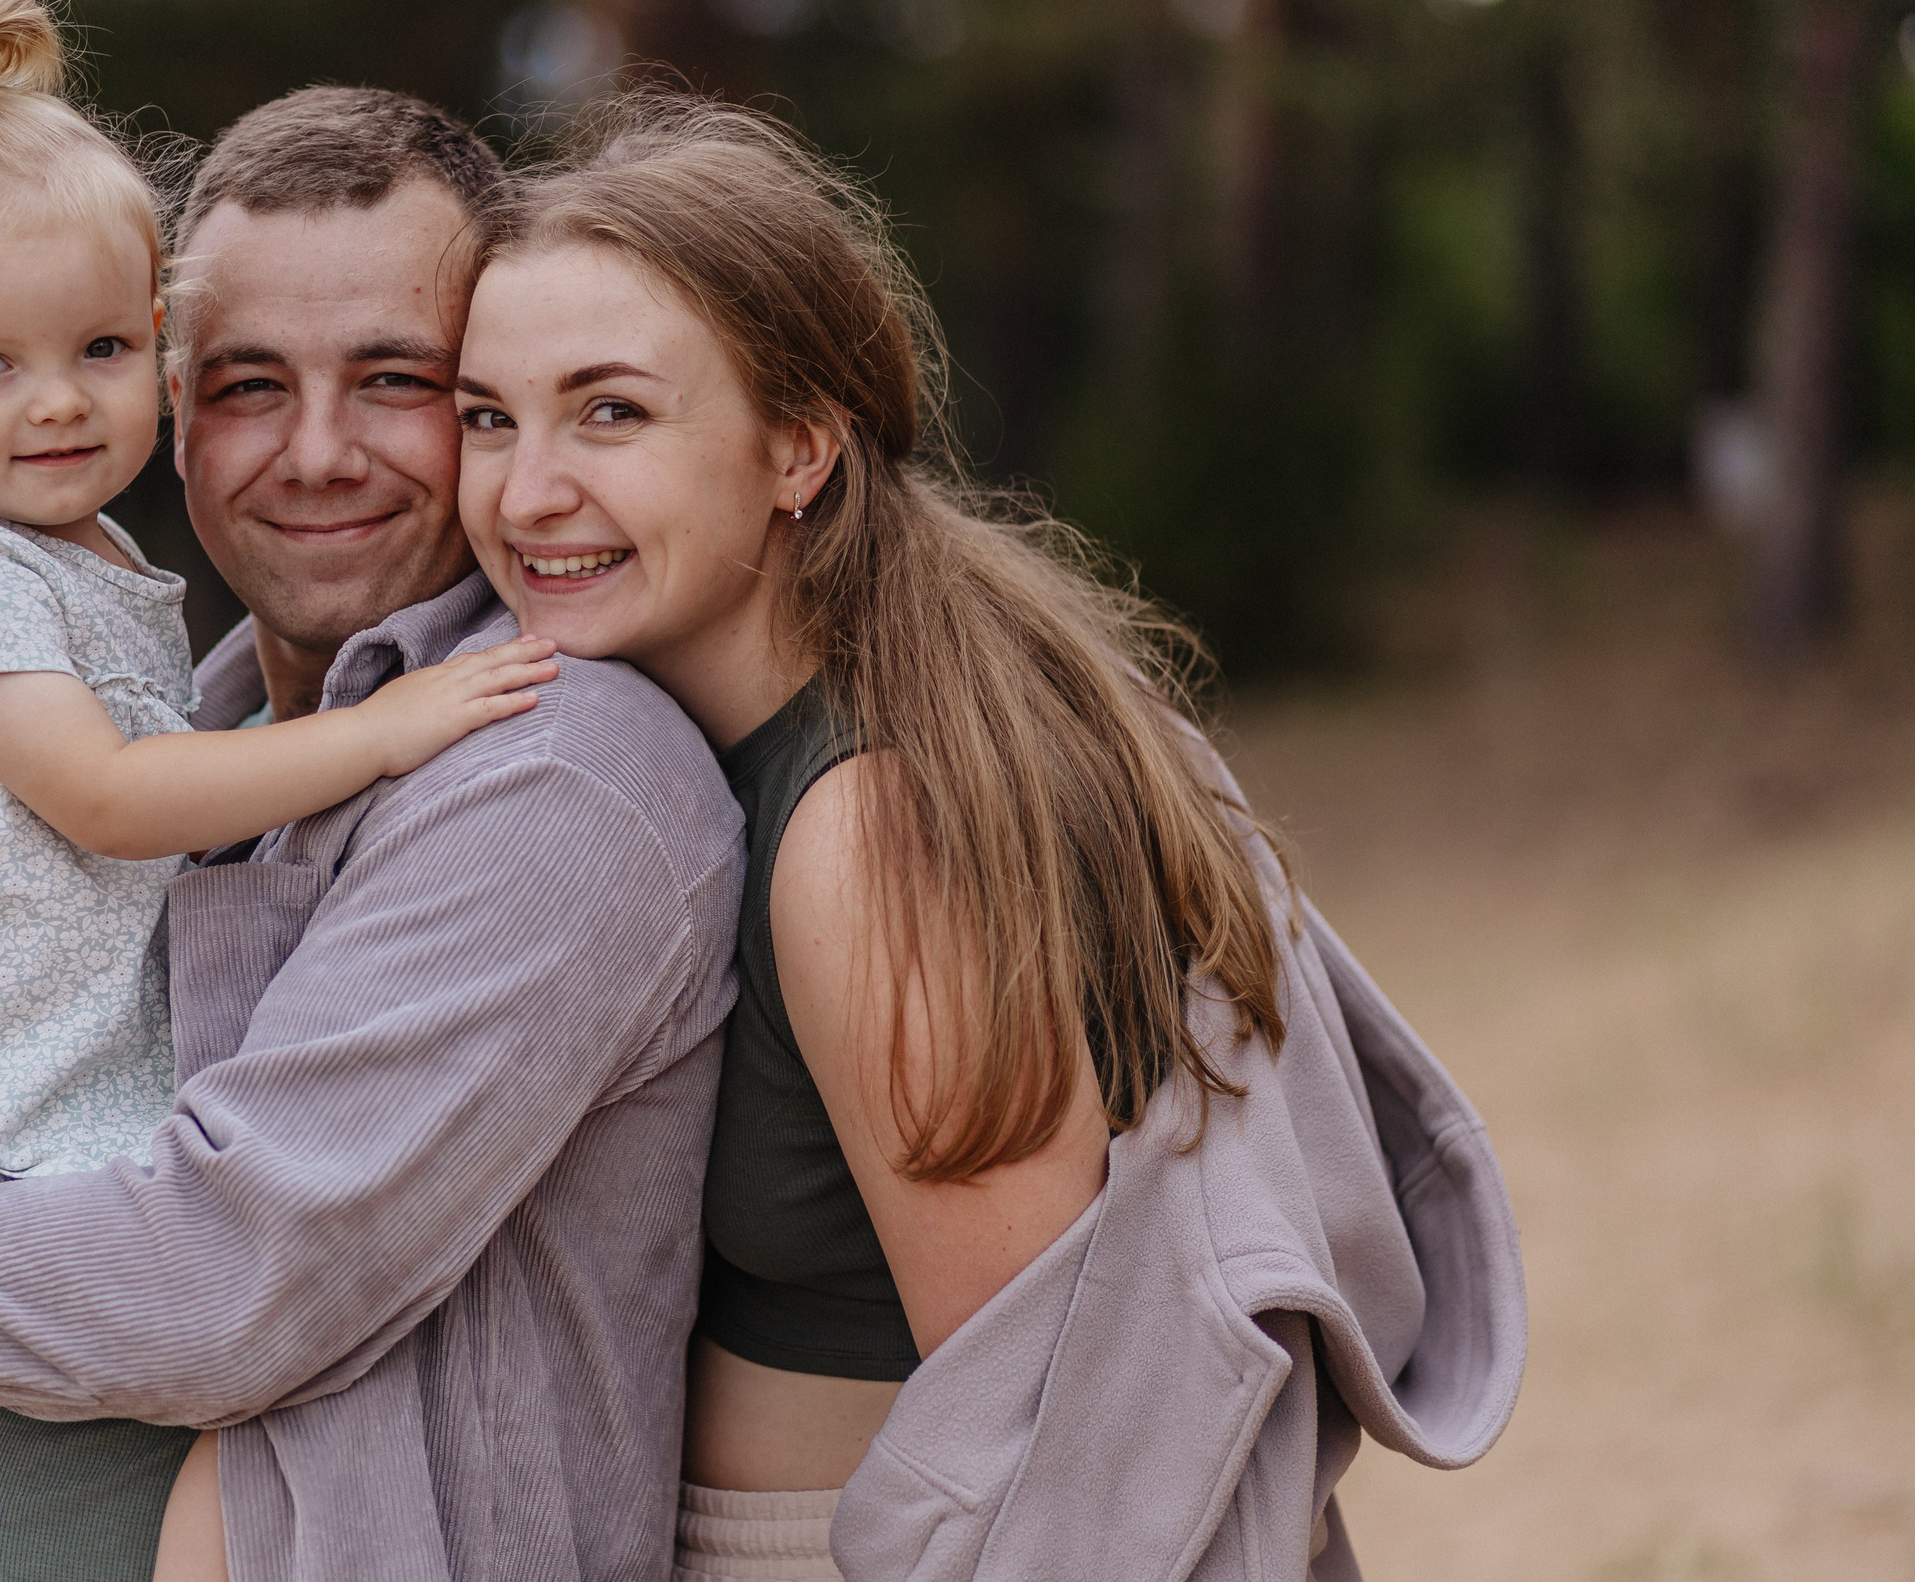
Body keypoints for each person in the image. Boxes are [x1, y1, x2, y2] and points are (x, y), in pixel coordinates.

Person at [452, 92, 1527, 1581]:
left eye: (611, 411)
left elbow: (1061, 1450)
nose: (525, 489)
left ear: (799, 450)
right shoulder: (750, 732)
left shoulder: (870, 831)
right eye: (486, 418)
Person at [0, 75, 747, 1582]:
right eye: (252, 381)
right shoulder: (203, 744)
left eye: (398, 381)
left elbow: (225, 1280)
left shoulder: (542, 766)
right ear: (183, 407)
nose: (317, 452)